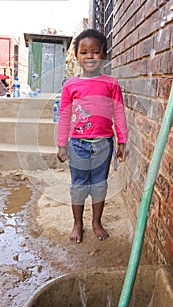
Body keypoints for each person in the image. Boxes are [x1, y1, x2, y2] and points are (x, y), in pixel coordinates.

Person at [57, 29, 128, 243]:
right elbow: (64, 115)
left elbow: (119, 112)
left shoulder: (111, 83)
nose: (90, 56)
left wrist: (122, 140)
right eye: (84, 52)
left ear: (104, 55)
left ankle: (96, 222)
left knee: (99, 185)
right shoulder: (70, 85)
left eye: (95, 52)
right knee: (78, 186)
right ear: (77, 56)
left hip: (104, 145)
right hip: (77, 144)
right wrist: (62, 144)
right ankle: (77, 223)